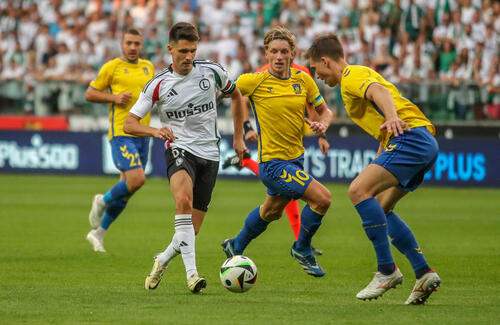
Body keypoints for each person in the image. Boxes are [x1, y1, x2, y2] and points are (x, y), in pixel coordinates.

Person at [306, 33, 441, 304]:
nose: (317, 75)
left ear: (324, 61)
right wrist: (378, 157)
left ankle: (386, 270)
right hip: (422, 141)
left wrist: (392, 117)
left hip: (409, 137)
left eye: (315, 69)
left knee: (357, 190)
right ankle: (423, 271)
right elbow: (383, 131)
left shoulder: (351, 75)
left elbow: (379, 93)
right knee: (380, 206)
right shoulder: (355, 77)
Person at [123, 22, 246, 293]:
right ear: (170, 50)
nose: (188, 56)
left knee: (191, 231)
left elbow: (237, 96)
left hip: (210, 154)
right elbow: (129, 124)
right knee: (182, 200)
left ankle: (163, 258)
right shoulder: (158, 84)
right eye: (182, 51)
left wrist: (238, 137)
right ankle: (193, 276)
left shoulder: (212, 71)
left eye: (192, 50)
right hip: (179, 149)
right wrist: (155, 131)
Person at [221, 26, 334, 277]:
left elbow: (326, 111)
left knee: (271, 211)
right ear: (266, 53)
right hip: (272, 164)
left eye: (284, 51)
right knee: (322, 198)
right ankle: (302, 248)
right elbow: (230, 95)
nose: (279, 56)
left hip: (297, 159)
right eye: (274, 51)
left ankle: (235, 245)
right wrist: (239, 137)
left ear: (293, 53)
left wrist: (322, 126)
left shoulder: (303, 79)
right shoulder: (255, 80)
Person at [85, 28, 154, 253]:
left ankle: (98, 234)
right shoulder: (111, 67)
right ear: (122, 45)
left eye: (137, 43)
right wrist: (113, 97)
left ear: (141, 45)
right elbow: (90, 93)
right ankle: (101, 200)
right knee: (138, 179)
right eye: (129, 43)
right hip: (122, 132)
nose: (133, 47)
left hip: (143, 133)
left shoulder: (148, 67)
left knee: (128, 188)